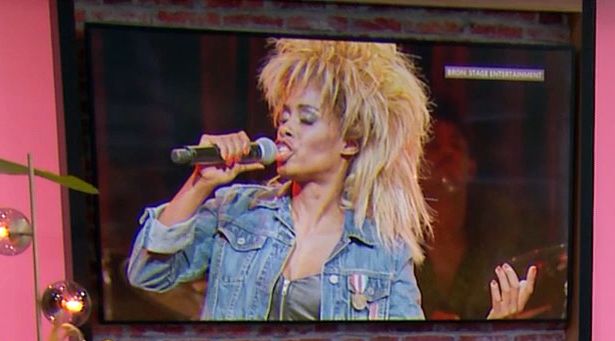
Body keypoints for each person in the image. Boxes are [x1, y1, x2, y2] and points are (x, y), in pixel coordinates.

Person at [125, 39, 437, 321]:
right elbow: (147, 273)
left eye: (307, 119)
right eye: (284, 117)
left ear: (350, 142)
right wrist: (200, 183)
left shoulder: (381, 250)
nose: (286, 129)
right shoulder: (239, 211)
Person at [417, 113, 538, 320]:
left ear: (471, 167)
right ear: (416, 167)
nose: (447, 153)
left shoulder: (499, 242)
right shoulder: (398, 247)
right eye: (434, 146)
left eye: (456, 145)